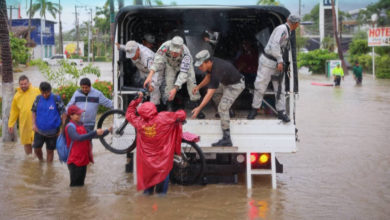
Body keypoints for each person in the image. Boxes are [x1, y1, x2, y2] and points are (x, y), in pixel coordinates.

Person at [125, 92, 186, 195]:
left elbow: (129, 114)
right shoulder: (164, 118)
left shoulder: (139, 123)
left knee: (147, 194)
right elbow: (182, 115)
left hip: (147, 164)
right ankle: (160, 207)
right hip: (162, 162)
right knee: (162, 194)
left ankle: (146, 208)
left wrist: (136, 100)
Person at [247, 14, 301, 122]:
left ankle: (281, 112)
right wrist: (280, 60)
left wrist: (281, 61)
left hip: (276, 63)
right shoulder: (282, 29)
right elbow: (275, 45)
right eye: (298, 24)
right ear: (295, 24)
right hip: (268, 62)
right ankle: (254, 109)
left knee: (280, 88)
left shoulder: (288, 31)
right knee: (260, 86)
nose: (298, 26)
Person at [191, 50, 245, 146]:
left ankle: (227, 138)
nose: (199, 68)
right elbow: (208, 77)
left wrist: (199, 108)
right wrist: (198, 87)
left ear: (208, 62)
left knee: (222, 108)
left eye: (201, 65)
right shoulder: (211, 63)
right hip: (226, 83)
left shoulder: (217, 70)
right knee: (216, 94)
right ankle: (228, 113)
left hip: (236, 85)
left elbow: (209, 94)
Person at [143, 36, 205, 118]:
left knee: (192, 82)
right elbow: (157, 61)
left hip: (186, 68)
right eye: (172, 51)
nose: (174, 54)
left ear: (181, 49)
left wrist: (176, 88)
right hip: (170, 65)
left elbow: (183, 73)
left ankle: (197, 106)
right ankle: (169, 107)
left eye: (176, 52)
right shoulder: (164, 47)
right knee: (169, 85)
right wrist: (150, 76)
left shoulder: (186, 55)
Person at [64, 105, 111, 187]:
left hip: (83, 159)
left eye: (80, 114)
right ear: (71, 116)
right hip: (74, 161)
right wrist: (94, 132)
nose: (79, 115)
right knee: (74, 186)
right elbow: (77, 138)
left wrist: (108, 130)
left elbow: (94, 135)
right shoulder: (70, 127)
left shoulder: (82, 125)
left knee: (81, 185)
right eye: (77, 114)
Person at [115, 40, 163, 105]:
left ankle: (154, 109)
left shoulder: (147, 56)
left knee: (154, 92)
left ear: (138, 50)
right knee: (140, 89)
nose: (132, 57)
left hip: (156, 71)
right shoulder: (133, 46)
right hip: (143, 70)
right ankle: (141, 107)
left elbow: (154, 71)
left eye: (133, 55)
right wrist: (120, 46)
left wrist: (152, 84)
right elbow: (127, 48)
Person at [31, 82, 66, 162]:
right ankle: (41, 161)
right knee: (36, 149)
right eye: (43, 93)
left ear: (50, 90)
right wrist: (34, 124)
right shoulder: (38, 98)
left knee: (50, 151)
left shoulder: (56, 99)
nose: (45, 95)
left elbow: (63, 114)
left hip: (53, 132)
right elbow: (33, 111)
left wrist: (62, 128)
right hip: (39, 130)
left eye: (47, 93)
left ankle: (49, 169)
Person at [8, 75, 40, 155]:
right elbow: (14, 111)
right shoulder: (17, 96)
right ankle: (29, 160)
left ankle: (38, 161)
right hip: (24, 123)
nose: (23, 86)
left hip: (36, 122)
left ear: (29, 83)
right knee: (26, 143)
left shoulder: (36, 91)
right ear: (19, 84)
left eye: (25, 84)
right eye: (21, 84)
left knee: (37, 144)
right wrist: (11, 124)